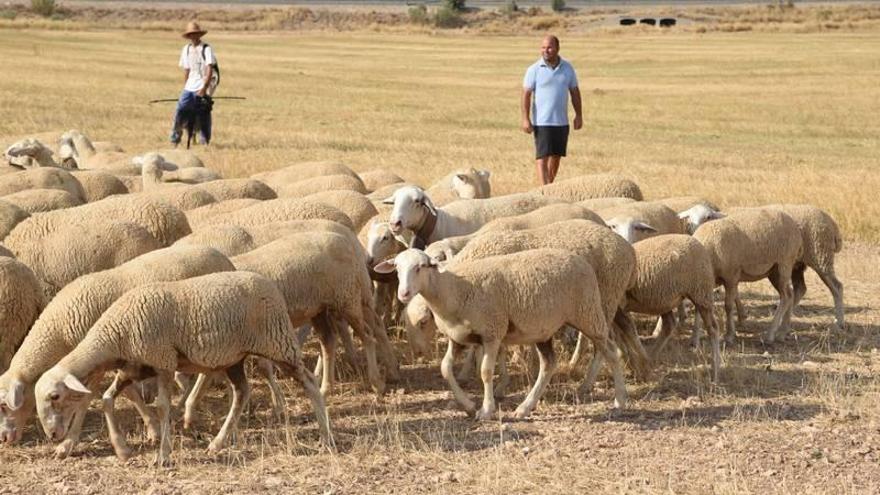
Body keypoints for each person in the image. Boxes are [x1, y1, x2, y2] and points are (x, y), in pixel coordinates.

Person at [521, 35, 583, 185]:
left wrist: (579, 115)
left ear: (557, 48)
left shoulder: (568, 68)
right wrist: (525, 119)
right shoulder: (534, 69)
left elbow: (574, 92)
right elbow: (526, 95)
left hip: (561, 121)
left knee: (556, 156)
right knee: (542, 156)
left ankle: (550, 185)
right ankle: (544, 189)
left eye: (549, 47)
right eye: (543, 47)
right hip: (542, 121)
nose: (546, 50)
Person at [170, 21, 216, 147]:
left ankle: (204, 141)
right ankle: (175, 139)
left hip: (202, 85)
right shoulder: (186, 49)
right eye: (191, 34)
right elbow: (187, 69)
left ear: (199, 35)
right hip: (189, 86)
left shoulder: (206, 48)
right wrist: (186, 87)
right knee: (180, 110)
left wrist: (204, 88)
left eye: (195, 34)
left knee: (203, 113)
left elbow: (209, 69)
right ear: (188, 36)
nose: (193, 36)